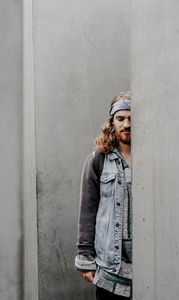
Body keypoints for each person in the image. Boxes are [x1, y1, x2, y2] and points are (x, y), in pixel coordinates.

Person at [75, 92, 132, 299]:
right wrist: (85, 260)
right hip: (110, 268)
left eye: (132, 118)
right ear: (111, 122)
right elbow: (87, 212)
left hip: (147, 268)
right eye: (121, 118)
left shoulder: (152, 158)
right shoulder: (97, 160)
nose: (127, 124)